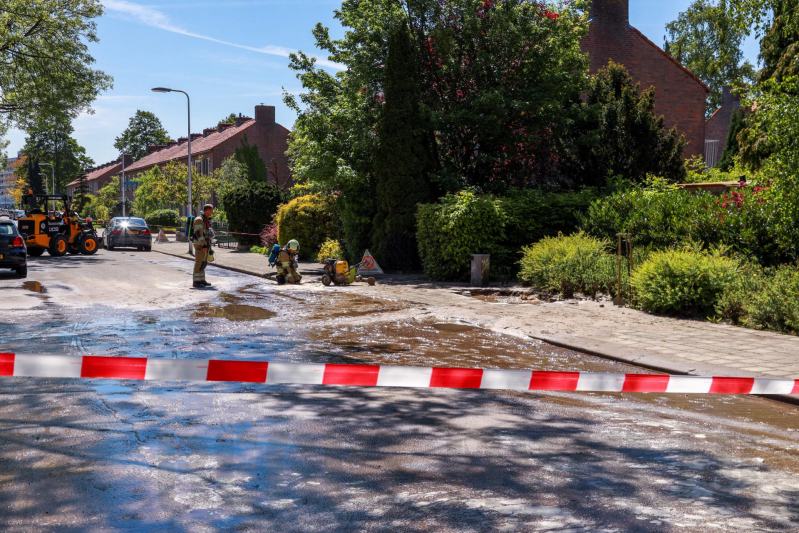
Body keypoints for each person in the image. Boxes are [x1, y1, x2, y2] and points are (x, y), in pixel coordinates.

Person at [192, 204, 215, 288]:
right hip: (200, 245)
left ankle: (202, 280)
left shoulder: (205, 219)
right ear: (207, 210)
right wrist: (204, 245)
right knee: (199, 262)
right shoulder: (199, 220)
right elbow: (198, 233)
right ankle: (196, 281)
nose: (212, 212)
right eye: (211, 210)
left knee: (203, 263)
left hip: (205, 244)